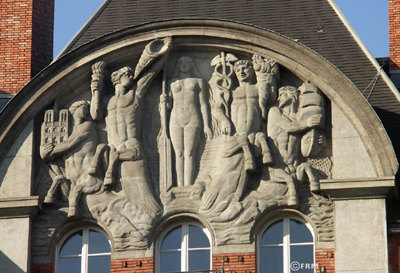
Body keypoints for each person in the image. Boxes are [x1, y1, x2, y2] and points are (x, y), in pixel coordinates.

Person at [90, 37, 172, 217]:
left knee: (144, 194)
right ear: (117, 79)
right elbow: (96, 114)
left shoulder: (136, 94)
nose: (130, 76)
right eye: (126, 74)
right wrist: (96, 89)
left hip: (131, 148)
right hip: (113, 148)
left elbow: (150, 74)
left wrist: (163, 53)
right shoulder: (107, 100)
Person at [40, 101, 102, 217]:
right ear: (74, 110)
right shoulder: (72, 130)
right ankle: (52, 196)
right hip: (72, 178)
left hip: (85, 175)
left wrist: (48, 152)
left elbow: (70, 143)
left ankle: (70, 205)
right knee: (59, 178)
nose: (87, 111)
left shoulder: (87, 126)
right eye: (84, 108)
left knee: (74, 188)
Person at [267, 86, 322, 205]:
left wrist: (321, 142)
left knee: (306, 166)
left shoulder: (298, 118)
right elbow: (289, 128)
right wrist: (308, 123)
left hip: (293, 166)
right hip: (276, 166)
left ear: (291, 95)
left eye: (281, 95)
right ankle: (292, 191)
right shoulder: (274, 111)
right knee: (290, 180)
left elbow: (306, 145)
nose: (278, 98)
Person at [163, 56, 212, 187]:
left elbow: (203, 104)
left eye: (187, 62)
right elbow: (167, 107)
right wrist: (164, 101)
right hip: (175, 118)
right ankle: (179, 186)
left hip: (192, 116)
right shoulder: (170, 82)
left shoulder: (198, 81)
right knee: (178, 153)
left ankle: (188, 185)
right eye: (181, 62)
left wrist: (207, 125)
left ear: (191, 65)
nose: (184, 64)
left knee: (189, 152)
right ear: (177, 65)